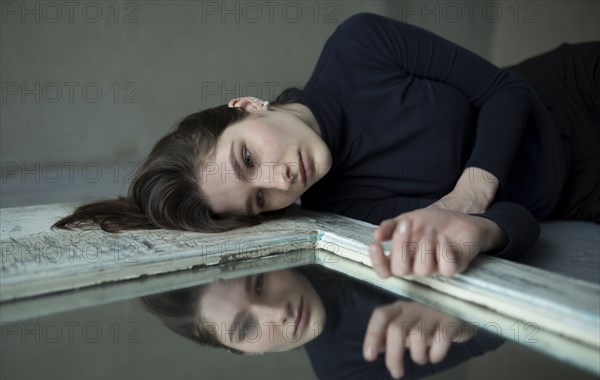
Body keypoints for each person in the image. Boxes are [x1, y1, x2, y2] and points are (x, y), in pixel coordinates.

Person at [52, 13, 599, 279]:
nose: (279, 182)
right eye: (259, 201)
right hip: (582, 197)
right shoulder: (339, 207)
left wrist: (463, 198)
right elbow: (521, 219)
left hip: (575, 91)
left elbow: (506, 90)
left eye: (248, 159)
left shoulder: (359, 45)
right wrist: (477, 230)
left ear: (247, 105)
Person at [141, 265, 505, 380]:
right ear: (243, 352)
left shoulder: (336, 223)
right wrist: (464, 322)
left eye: (259, 284)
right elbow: (490, 339)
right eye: (246, 328)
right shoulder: (344, 376)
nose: (277, 311)